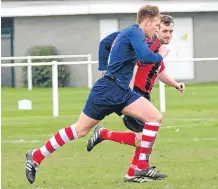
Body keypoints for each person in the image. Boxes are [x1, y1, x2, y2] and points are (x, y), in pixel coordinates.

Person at [25, 5, 169, 184]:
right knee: (80, 130)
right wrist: (161, 55)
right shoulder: (136, 32)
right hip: (107, 90)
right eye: (156, 24)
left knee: (154, 117)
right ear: (146, 21)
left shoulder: (129, 32)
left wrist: (103, 67)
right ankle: (36, 155)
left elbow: (105, 43)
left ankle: (140, 166)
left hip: (122, 92)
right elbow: (145, 56)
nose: (157, 28)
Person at [86, 15, 185, 182]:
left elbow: (159, 70)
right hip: (134, 95)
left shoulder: (155, 46)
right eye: (164, 31)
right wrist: (128, 93)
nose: (168, 35)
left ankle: (132, 173)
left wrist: (175, 84)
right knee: (143, 138)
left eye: (171, 31)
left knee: (145, 137)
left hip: (141, 95)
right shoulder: (150, 43)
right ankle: (104, 135)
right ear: (155, 29)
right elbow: (134, 65)